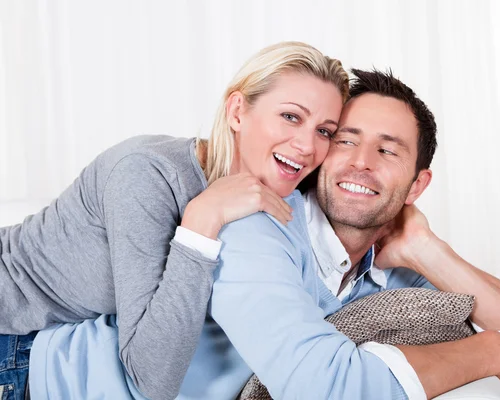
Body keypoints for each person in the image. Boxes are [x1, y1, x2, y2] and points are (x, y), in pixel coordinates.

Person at [28, 69, 500, 399]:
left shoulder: (393, 270)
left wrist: (429, 250)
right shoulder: (257, 226)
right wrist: (491, 353)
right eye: (343, 140)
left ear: (416, 184)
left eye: (387, 150)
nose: (359, 162)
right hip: (44, 383)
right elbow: (324, 390)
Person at [0, 41, 348, 400]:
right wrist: (201, 221)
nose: (308, 146)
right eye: (291, 116)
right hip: (11, 339)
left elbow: (317, 311)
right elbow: (151, 380)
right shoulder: (147, 174)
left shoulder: (279, 189)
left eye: (324, 131)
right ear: (237, 111)